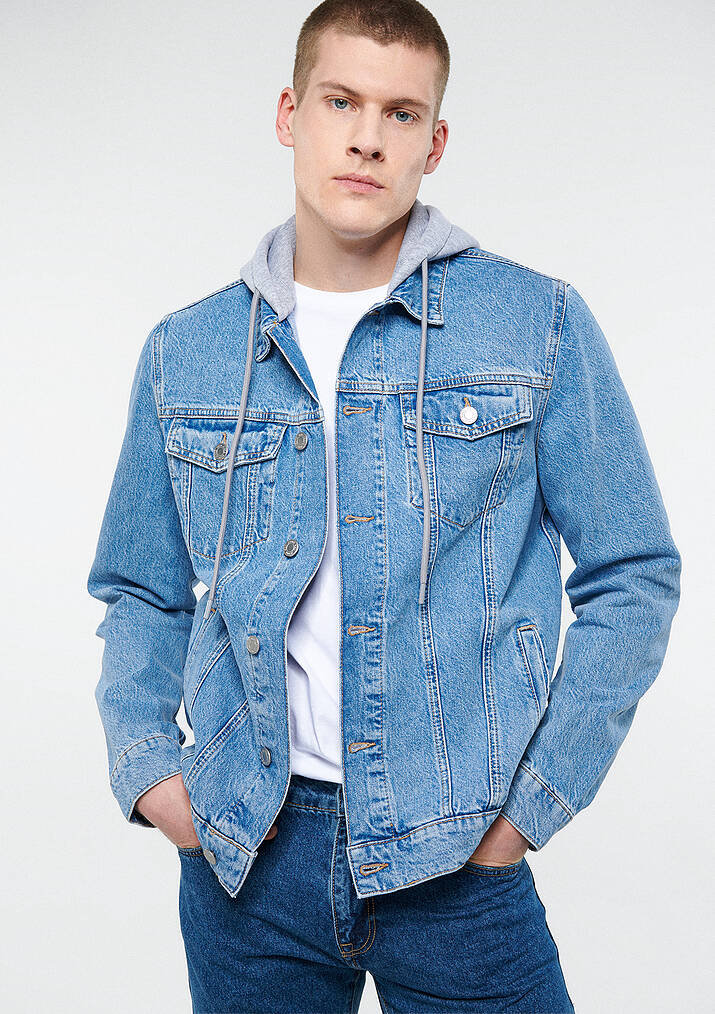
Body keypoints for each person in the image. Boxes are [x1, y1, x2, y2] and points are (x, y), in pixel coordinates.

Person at [87, 2, 681, 1011]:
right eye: (341, 101)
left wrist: (524, 815)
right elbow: (141, 588)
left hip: (456, 860)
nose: (367, 137)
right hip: (246, 862)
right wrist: (153, 775)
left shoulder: (533, 323)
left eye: (401, 114)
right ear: (289, 114)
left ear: (434, 143)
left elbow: (634, 575)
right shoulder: (187, 350)